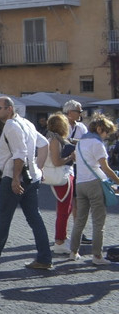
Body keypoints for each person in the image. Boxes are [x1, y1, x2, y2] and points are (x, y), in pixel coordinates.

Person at [0, 95, 53, 270]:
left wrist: (15, 178)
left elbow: (19, 154)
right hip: (32, 177)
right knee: (34, 217)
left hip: (15, 177)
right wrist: (39, 168)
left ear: (9, 109)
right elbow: (44, 144)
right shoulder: (27, 123)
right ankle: (44, 257)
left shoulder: (11, 126)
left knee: (4, 216)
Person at [68, 114, 119, 264]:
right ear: (99, 129)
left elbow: (77, 160)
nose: (106, 136)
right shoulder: (97, 144)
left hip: (80, 183)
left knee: (80, 221)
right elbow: (106, 168)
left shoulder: (81, 142)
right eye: (106, 132)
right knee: (98, 222)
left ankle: (73, 251)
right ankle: (97, 256)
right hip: (94, 183)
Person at [45, 112, 76, 256]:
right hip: (62, 176)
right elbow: (57, 161)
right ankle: (59, 241)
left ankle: (62, 237)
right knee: (64, 210)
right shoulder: (54, 140)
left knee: (66, 209)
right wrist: (71, 157)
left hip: (64, 175)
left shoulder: (52, 138)